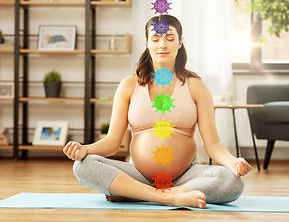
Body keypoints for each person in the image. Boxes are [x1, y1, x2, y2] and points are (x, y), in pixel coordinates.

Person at [63, 15, 251, 209]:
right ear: (147, 43)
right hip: (138, 176)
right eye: (155, 39)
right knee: (83, 165)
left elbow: (213, 143)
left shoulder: (196, 86)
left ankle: (134, 193)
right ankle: (168, 198)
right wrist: (86, 149)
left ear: (180, 42)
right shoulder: (128, 85)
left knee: (232, 180)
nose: (162, 44)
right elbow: (112, 142)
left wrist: (232, 162)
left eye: (170, 38)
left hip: (185, 178)